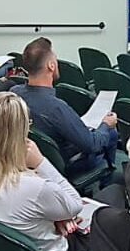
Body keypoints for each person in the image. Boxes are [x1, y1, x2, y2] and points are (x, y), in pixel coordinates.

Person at [0, 92, 87, 251]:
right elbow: (75, 205)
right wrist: (41, 163)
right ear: (20, 131)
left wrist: (56, 216)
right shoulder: (35, 188)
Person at [13, 39, 118, 178]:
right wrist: (106, 124)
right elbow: (92, 145)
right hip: (62, 165)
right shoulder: (56, 108)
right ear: (51, 66)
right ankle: (109, 179)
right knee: (111, 132)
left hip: (25, 160)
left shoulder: (14, 93)